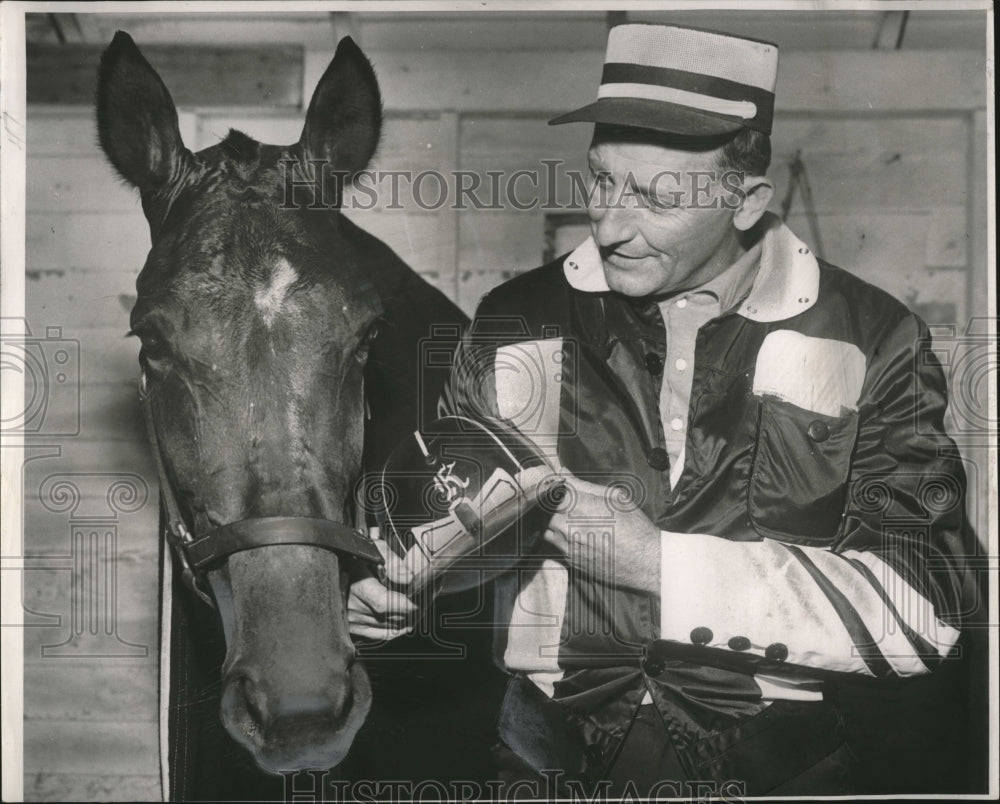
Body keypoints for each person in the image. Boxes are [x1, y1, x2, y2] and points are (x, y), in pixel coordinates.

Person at [351, 23, 982, 797]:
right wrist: (394, 590)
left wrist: (656, 563)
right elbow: (454, 533)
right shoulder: (513, 318)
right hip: (542, 765)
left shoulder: (876, 338)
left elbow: (926, 612)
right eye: (601, 180)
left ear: (746, 201)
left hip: (779, 775)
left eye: (654, 197)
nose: (610, 224)